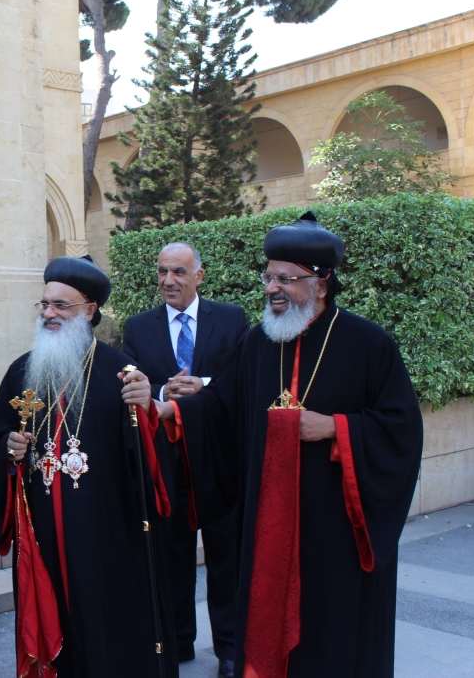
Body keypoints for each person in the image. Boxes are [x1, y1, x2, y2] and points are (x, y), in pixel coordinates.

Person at [155, 212, 423, 678]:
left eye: (286, 279)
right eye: (269, 276)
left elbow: (400, 429)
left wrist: (336, 428)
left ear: (321, 284)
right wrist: (172, 412)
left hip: (334, 526)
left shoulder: (369, 344)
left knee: (331, 633)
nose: (271, 288)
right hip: (269, 521)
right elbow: (222, 407)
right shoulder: (258, 342)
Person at [0, 255, 176, 678]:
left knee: (102, 621)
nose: (49, 314)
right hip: (44, 530)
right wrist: (10, 448)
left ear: (89, 311)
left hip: (104, 529)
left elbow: (147, 457)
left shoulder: (120, 372)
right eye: (45, 305)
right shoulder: (22, 371)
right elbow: (0, 435)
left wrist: (147, 408)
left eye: (61, 306)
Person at [122, 242, 248, 678]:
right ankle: (177, 643)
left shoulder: (232, 321)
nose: (168, 280)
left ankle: (231, 649)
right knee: (171, 554)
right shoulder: (139, 327)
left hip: (217, 459)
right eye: (162, 272)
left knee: (225, 557)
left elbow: (239, 384)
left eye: (178, 271)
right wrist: (160, 392)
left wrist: (200, 388)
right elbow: (134, 382)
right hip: (166, 461)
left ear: (200, 275)